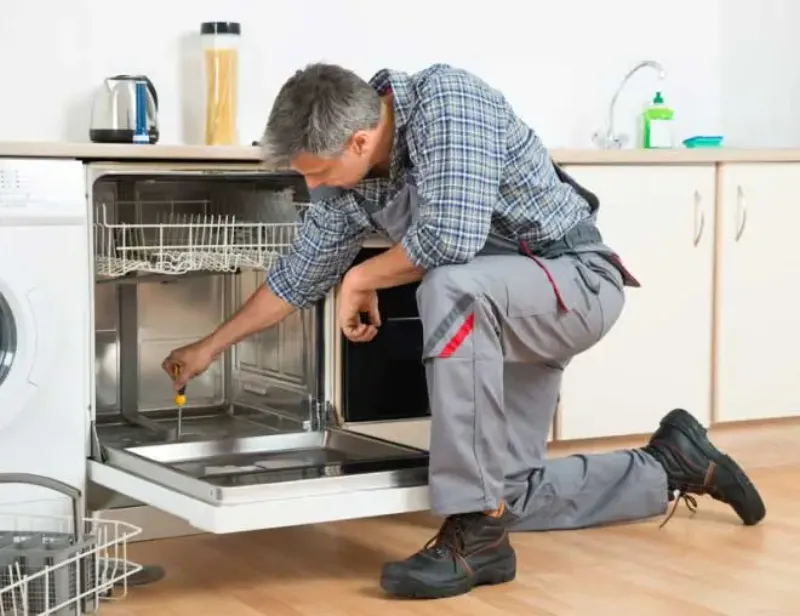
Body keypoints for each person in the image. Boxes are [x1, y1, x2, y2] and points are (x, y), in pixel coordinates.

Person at [162, 62, 766, 600]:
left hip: (574, 283)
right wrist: (206, 348)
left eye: (317, 173)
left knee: (450, 286)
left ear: (359, 140)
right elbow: (297, 277)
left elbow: (451, 238)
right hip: (499, 311)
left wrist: (361, 277)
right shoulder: (350, 186)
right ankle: (672, 463)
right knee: (512, 494)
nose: (313, 187)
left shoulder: (448, 102)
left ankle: (474, 532)